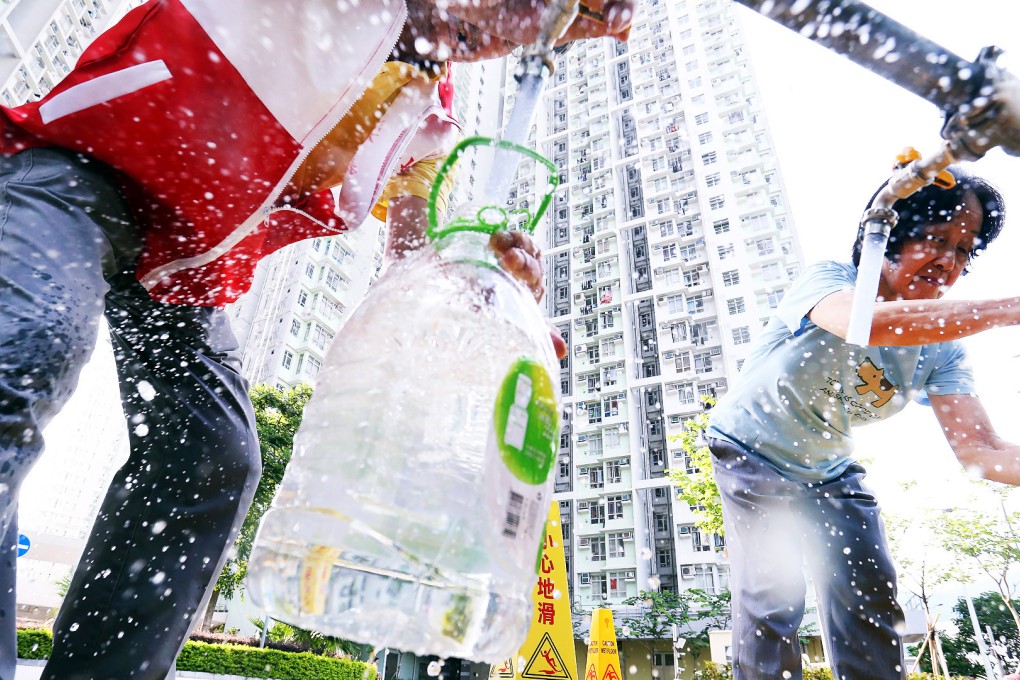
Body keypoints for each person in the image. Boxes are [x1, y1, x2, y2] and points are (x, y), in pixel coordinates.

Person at [0, 1, 634, 679]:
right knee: (25, 350)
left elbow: (415, 253)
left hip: (185, 271)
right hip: (76, 168)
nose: (506, 36)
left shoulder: (426, 113)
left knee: (212, 456)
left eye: (533, 33)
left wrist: (483, 283)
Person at [706, 166, 1020, 680]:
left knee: (870, 595)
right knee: (773, 594)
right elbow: (865, 325)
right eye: (936, 239)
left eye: (963, 251)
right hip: (749, 447)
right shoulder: (834, 280)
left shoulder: (941, 349)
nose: (947, 261)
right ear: (891, 237)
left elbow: (982, 452)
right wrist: (1009, 309)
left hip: (829, 469)